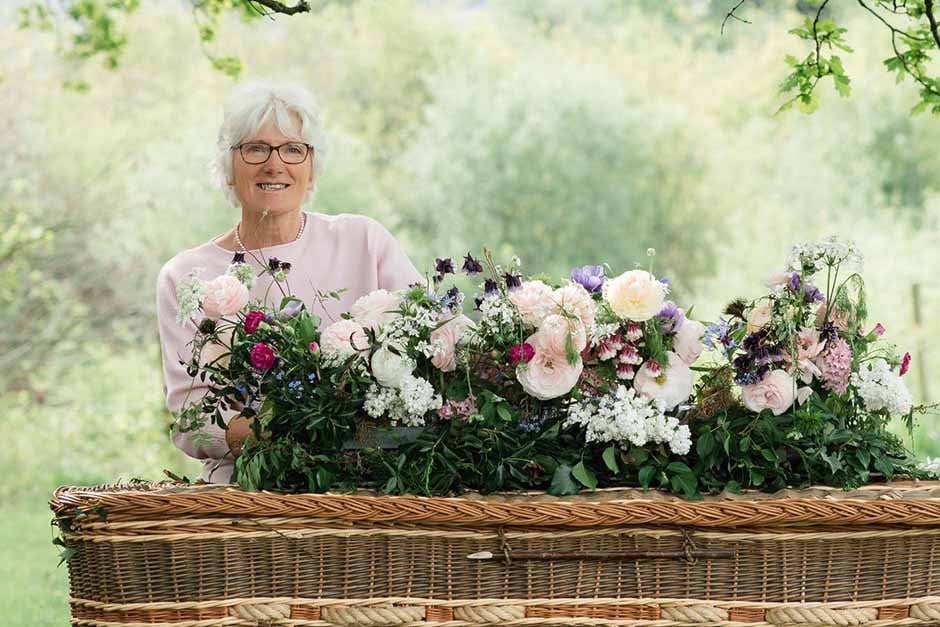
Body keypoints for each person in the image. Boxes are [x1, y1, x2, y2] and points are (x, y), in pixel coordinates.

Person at [156, 81, 423, 483]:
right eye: (255, 148)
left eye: (293, 149)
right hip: (246, 494)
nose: (274, 164)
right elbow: (192, 421)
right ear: (229, 168)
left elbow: (434, 349)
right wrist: (307, 428)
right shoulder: (185, 276)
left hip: (370, 487)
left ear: (312, 168)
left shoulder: (365, 241)